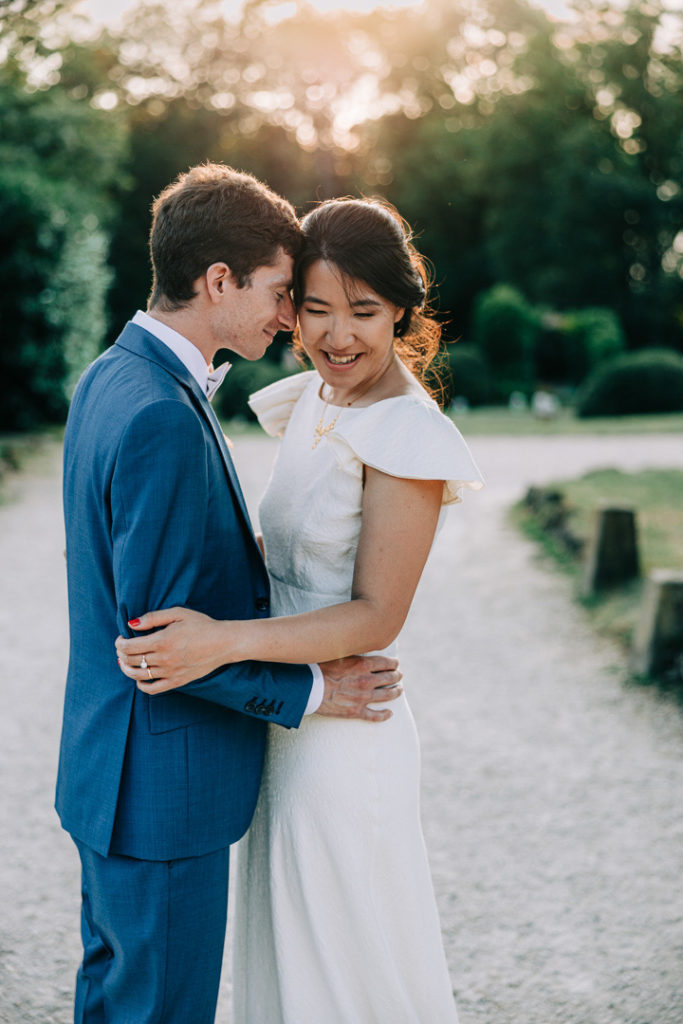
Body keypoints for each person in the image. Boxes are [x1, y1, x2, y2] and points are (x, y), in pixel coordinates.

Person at [117, 196, 484, 1021]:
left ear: (400, 310)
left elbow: (375, 616)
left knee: (343, 960)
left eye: (363, 311)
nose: (336, 335)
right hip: (280, 728)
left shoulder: (406, 437)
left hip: (344, 741)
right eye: (315, 308)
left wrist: (219, 643)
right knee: (285, 956)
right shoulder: (315, 399)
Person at [56, 166, 402, 1024]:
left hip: (113, 770)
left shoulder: (112, 376)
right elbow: (167, 644)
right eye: (280, 293)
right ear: (218, 281)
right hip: (161, 787)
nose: (288, 317)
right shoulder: (162, 415)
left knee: (115, 1000)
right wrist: (320, 689)